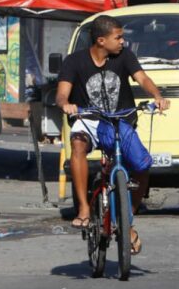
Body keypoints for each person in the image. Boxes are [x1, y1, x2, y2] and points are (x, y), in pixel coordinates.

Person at [56, 15, 170, 254]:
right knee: (77, 145)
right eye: (118, 37)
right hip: (87, 120)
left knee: (142, 165)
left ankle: (127, 221)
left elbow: (143, 79)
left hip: (119, 120)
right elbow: (61, 94)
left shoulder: (125, 57)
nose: (122, 42)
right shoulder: (74, 62)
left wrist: (157, 96)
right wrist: (67, 104)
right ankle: (85, 209)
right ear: (101, 40)